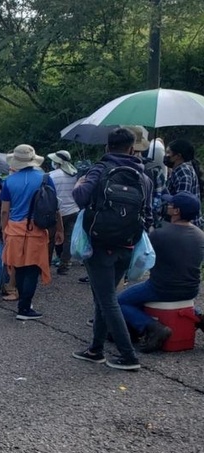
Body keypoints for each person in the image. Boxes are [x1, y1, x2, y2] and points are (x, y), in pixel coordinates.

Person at [72, 128, 154, 371]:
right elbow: (148, 215)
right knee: (102, 297)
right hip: (127, 245)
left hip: (99, 245)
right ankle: (95, 349)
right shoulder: (144, 177)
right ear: (132, 148)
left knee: (107, 300)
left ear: (108, 147)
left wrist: (80, 184)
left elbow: (80, 198)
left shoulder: (99, 169)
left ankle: (128, 356)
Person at [117, 192, 204, 351]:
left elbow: (142, 256)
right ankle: (197, 316)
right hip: (190, 290)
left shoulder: (160, 232)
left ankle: (152, 327)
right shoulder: (200, 235)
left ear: (176, 211)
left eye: (171, 204)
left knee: (119, 301)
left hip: (161, 288)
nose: (168, 206)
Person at [0, 144, 62, 320]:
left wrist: (4, 230)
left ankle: (23, 305)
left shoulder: (9, 181)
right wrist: (59, 229)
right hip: (37, 229)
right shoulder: (44, 178)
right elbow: (54, 206)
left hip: (14, 229)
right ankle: (25, 308)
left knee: (18, 268)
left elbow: (5, 210)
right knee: (32, 270)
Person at [46, 150, 79, 275]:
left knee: (50, 239)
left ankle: (46, 265)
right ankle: (65, 264)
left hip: (57, 211)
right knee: (68, 239)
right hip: (73, 210)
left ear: (57, 162)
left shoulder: (51, 175)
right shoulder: (75, 173)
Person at [164, 139, 203, 228]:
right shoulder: (179, 169)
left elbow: (183, 203)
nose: (166, 156)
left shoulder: (183, 172)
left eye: (168, 152)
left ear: (178, 156)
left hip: (184, 225)